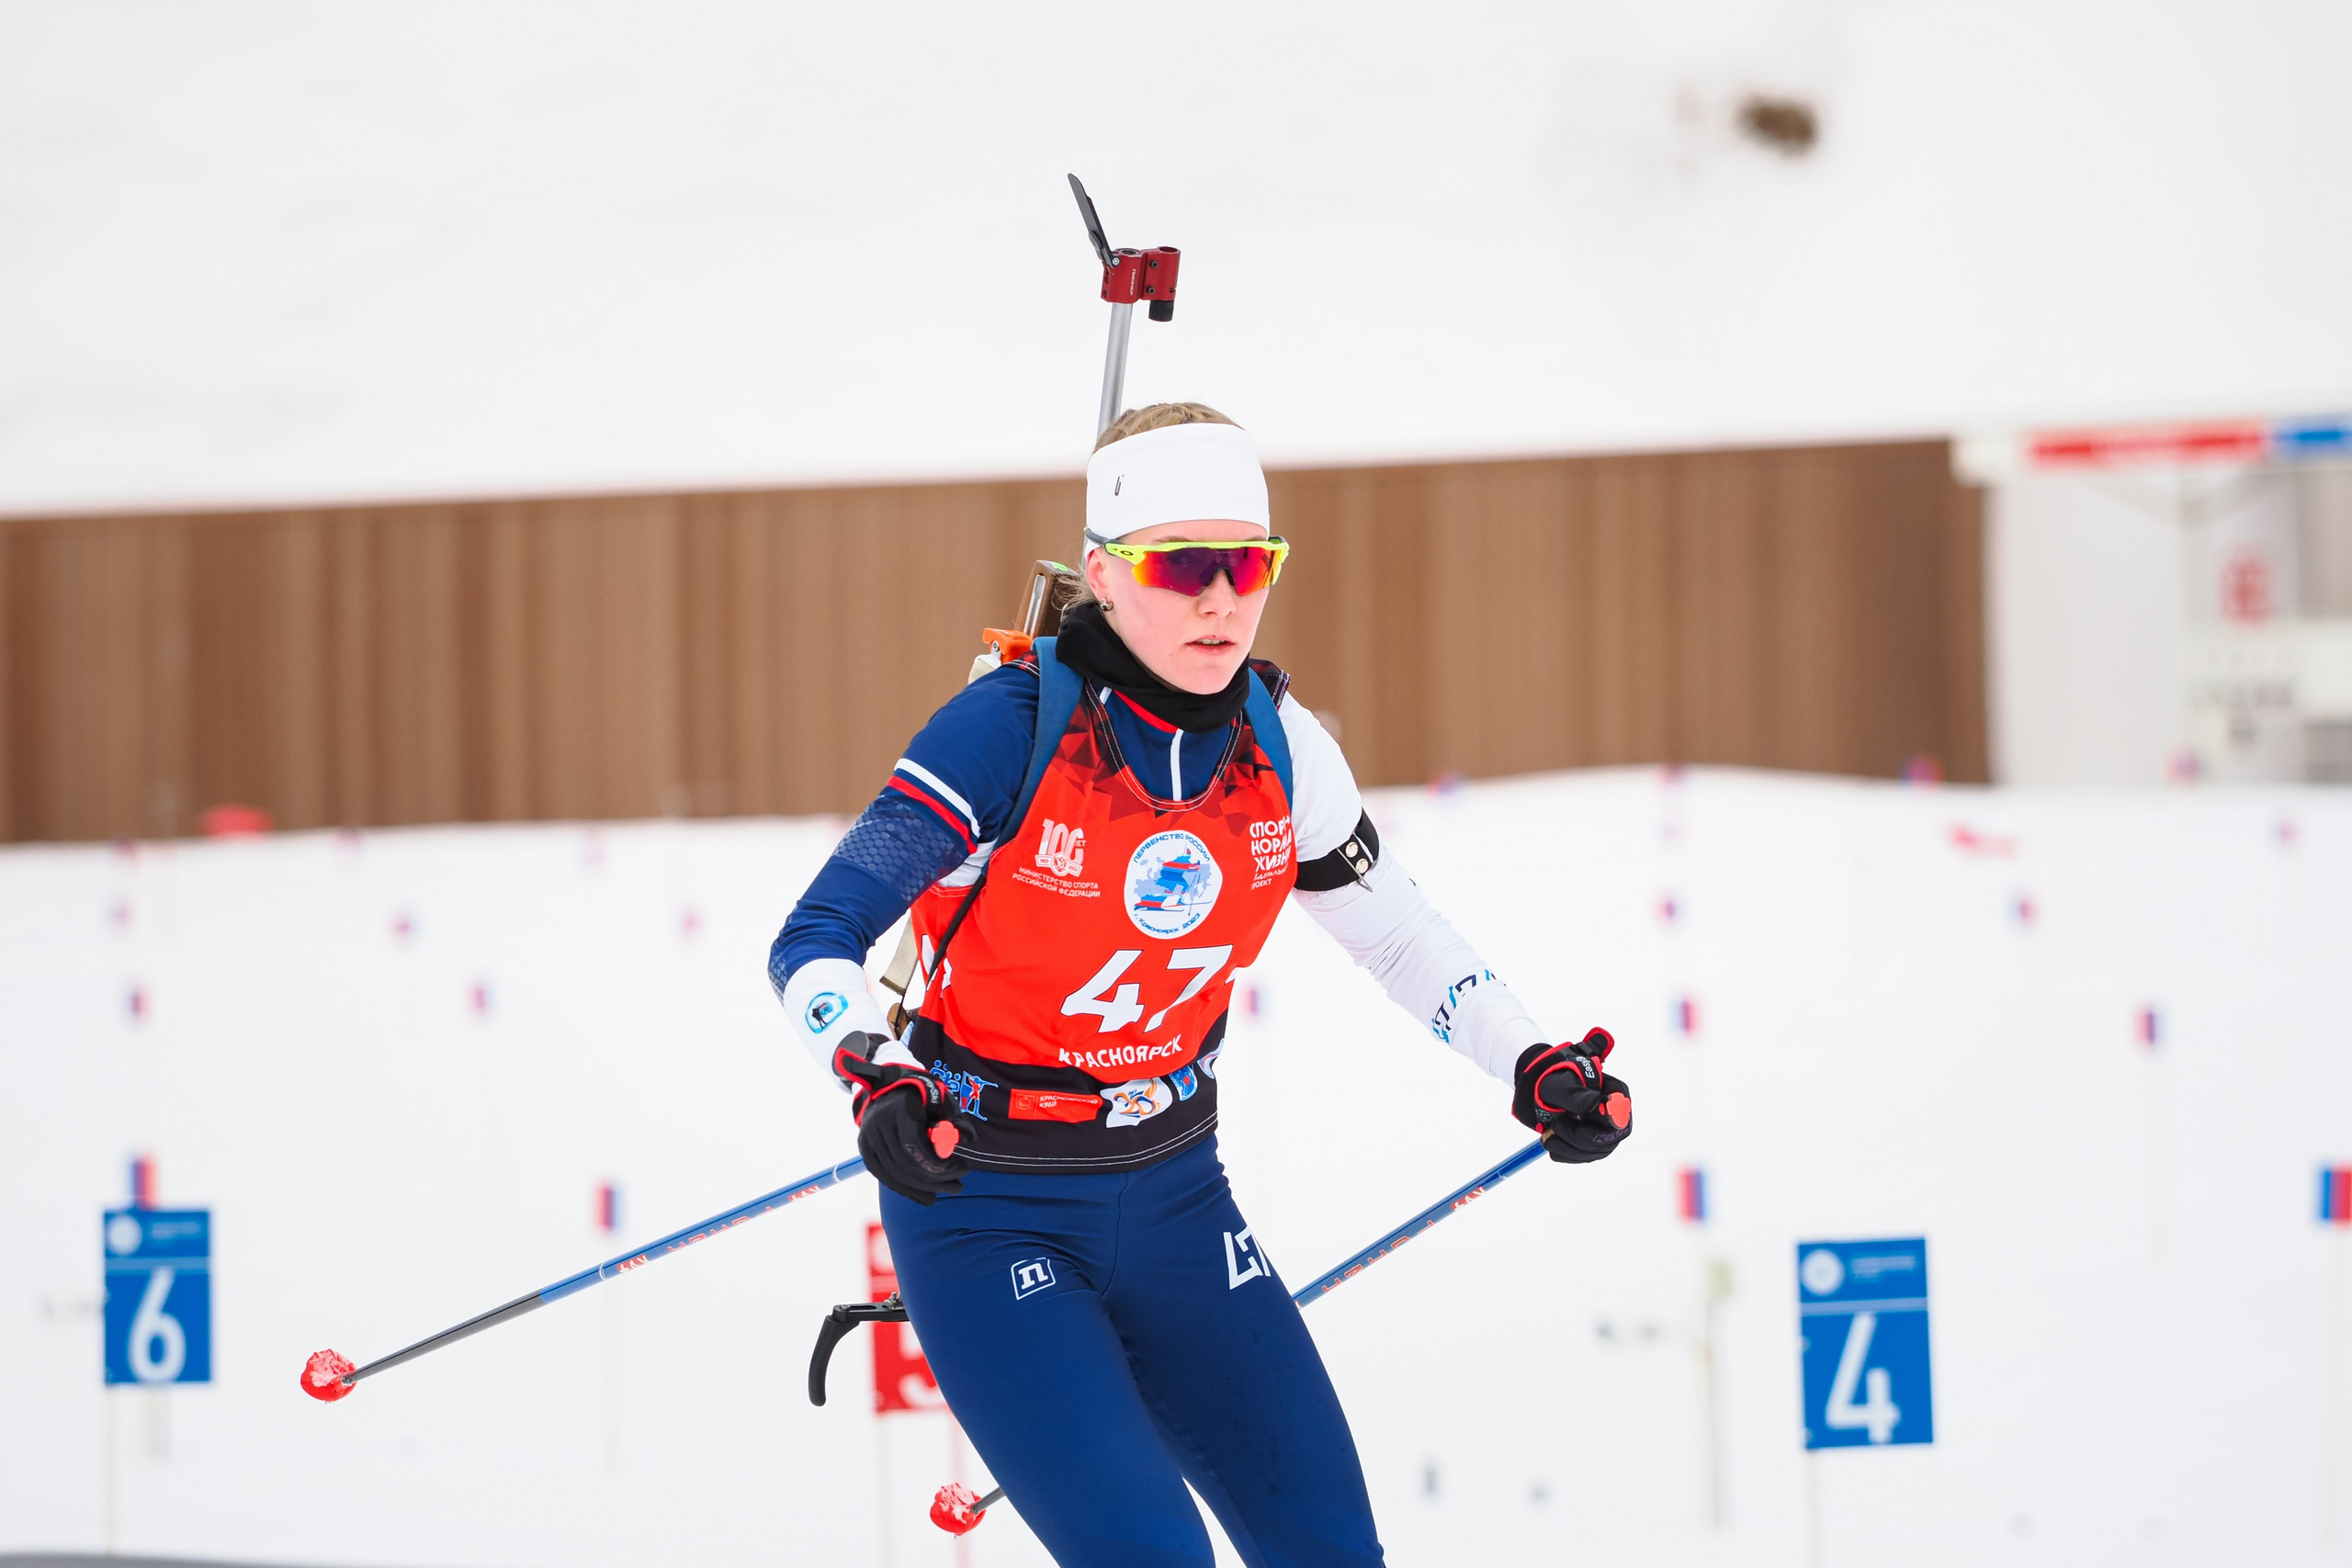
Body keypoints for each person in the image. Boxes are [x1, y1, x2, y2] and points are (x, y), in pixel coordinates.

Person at [770, 402, 1632, 1568]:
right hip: (987, 1206)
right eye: (1182, 566)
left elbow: (1397, 938)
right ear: (1103, 575)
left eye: (1249, 563)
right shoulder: (1004, 732)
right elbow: (815, 936)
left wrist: (1532, 1061)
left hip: (1177, 1199)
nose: (1221, 599)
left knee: (1331, 1551)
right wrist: (875, 1074)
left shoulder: (1281, 747)